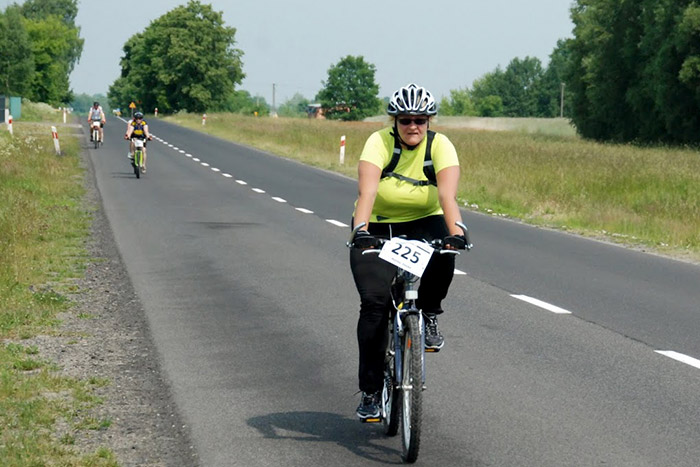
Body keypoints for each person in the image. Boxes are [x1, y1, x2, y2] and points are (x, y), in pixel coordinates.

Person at [349, 83, 468, 419]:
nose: (413, 126)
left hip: (425, 220)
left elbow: (447, 197)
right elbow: (368, 192)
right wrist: (361, 231)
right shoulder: (379, 143)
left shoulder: (441, 146)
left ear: (429, 121)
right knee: (374, 305)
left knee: (445, 250)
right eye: (405, 120)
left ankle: (429, 312)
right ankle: (371, 392)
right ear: (395, 121)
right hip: (378, 224)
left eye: (420, 119)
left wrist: (457, 233)